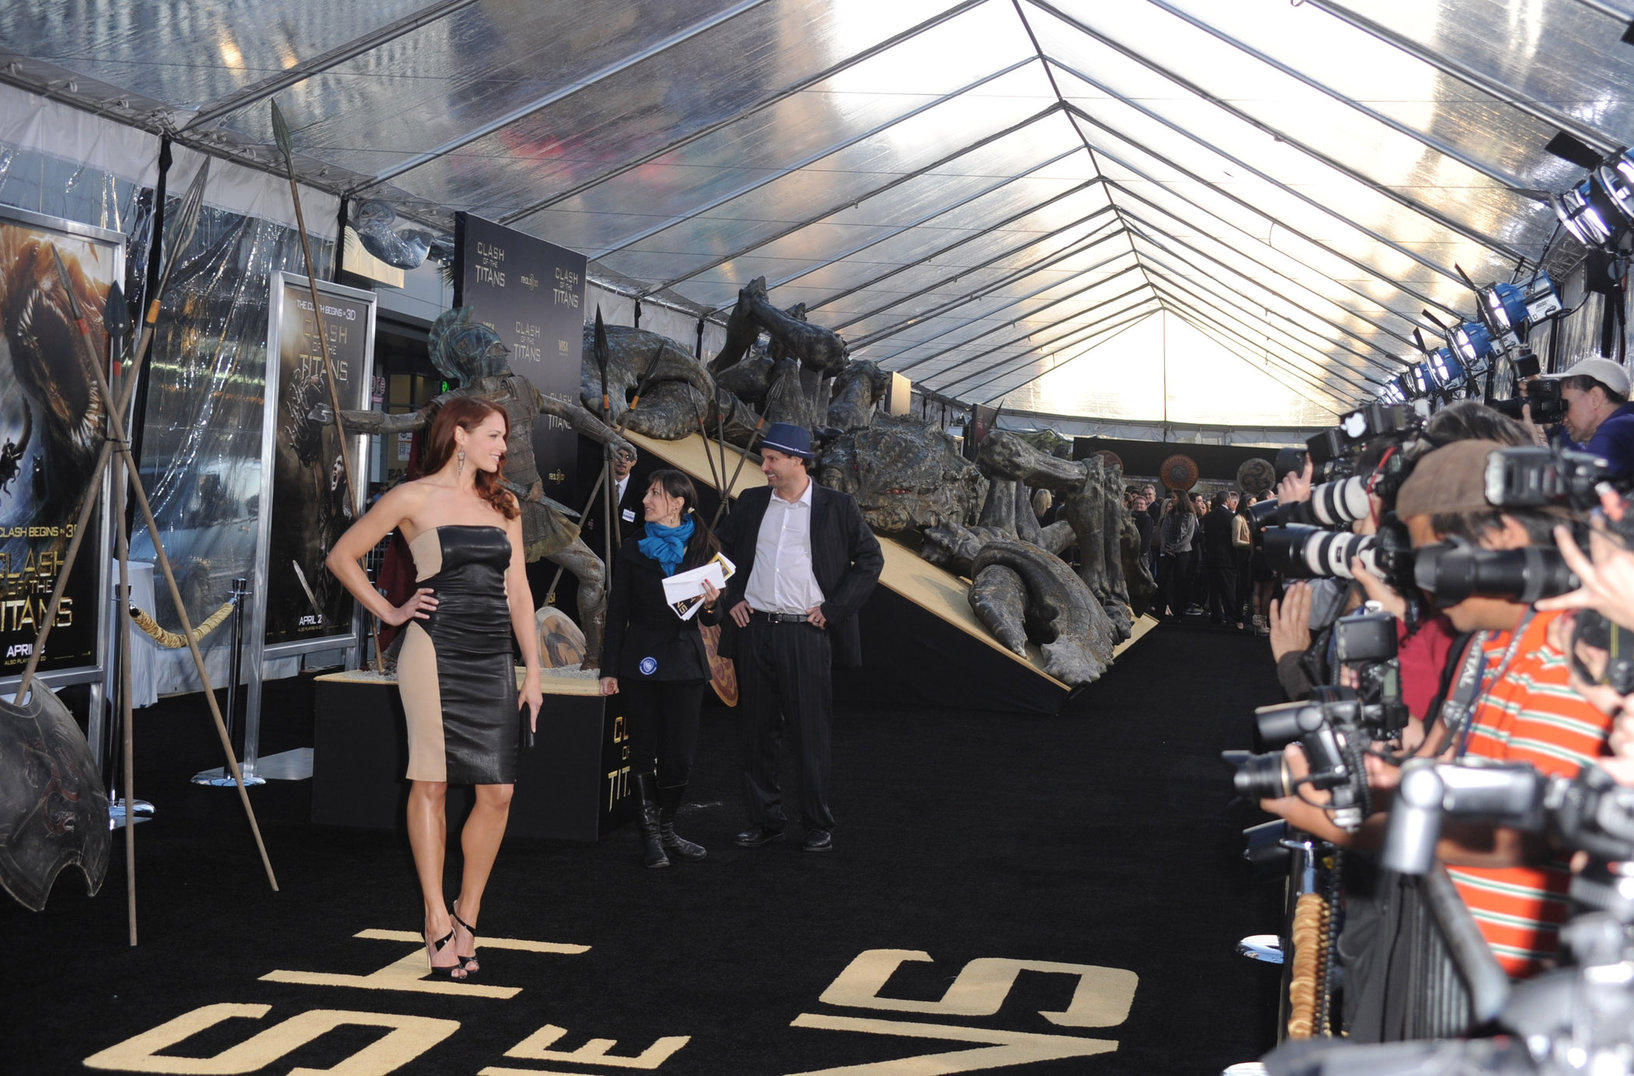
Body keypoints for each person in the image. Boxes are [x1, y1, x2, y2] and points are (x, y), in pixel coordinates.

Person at [326, 396, 543, 980]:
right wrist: (392, 611)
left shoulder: (506, 503)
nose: (504, 446)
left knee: (498, 792)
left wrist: (535, 671)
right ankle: (435, 918)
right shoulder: (411, 497)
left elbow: (519, 593)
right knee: (433, 784)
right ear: (462, 436)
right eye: (496, 435)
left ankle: (469, 908)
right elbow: (342, 556)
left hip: (491, 656)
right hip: (433, 651)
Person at [716, 422, 884, 853]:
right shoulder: (752, 502)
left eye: (772, 459)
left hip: (805, 635)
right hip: (754, 632)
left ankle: (816, 824)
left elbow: (870, 560)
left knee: (810, 734)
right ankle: (764, 821)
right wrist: (731, 598)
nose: (764, 466)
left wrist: (834, 610)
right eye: (764, 458)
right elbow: (722, 554)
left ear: (797, 460)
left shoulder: (837, 506)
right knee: (755, 733)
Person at [598, 468, 723, 869]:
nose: (646, 500)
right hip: (641, 663)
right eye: (648, 493)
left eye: (654, 494)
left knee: (680, 756)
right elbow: (616, 615)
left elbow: (709, 619)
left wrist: (711, 604)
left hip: (686, 664)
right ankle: (649, 837)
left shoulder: (704, 548)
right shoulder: (633, 550)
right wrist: (609, 669)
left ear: (677, 503)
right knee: (642, 752)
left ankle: (668, 827)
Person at [1541, 357, 1634, 479]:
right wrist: (1549, 428)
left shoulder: (1613, 431)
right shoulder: (1625, 426)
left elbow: (1582, 487)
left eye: (1566, 406)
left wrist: (1536, 440)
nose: (1563, 419)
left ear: (1595, 398)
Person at [580, 444, 642, 553]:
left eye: (628, 457)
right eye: (619, 455)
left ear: (634, 462)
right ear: (611, 457)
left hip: (624, 555)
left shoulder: (640, 491)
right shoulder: (596, 483)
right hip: (594, 551)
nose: (622, 460)